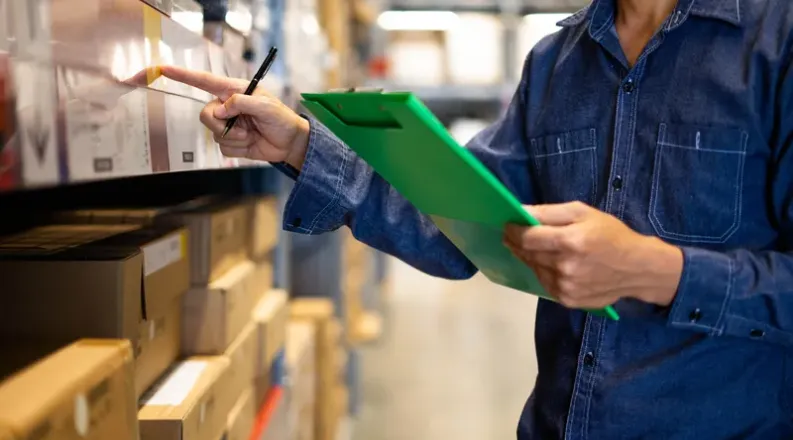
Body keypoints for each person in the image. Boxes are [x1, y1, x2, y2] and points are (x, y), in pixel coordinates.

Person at [161, 0, 793, 437]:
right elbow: (459, 226)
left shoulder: (776, 43)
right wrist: (299, 144)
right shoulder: (556, 63)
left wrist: (658, 270)